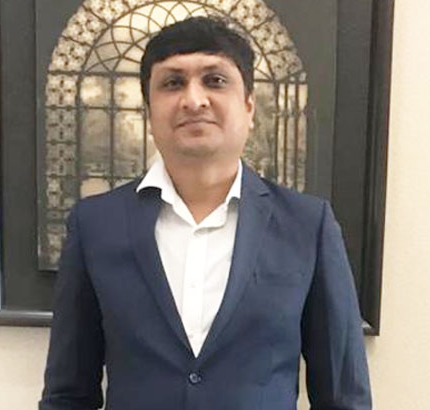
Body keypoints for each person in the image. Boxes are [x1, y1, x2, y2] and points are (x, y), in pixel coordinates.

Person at [39, 16, 371, 410]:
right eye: (172, 83)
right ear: (149, 111)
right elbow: (68, 396)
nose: (194, 100)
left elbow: (343, 398)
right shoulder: (96, 225)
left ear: (249, 107)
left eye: (214, 80)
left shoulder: (307, 226)